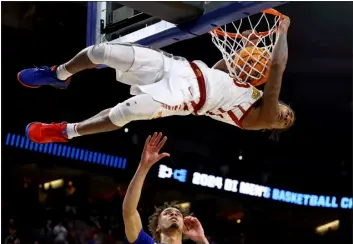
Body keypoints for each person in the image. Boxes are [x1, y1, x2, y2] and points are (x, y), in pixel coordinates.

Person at [18, 17, 294, 144]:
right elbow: (219, 72)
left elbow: (278, 70)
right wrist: (245, 47)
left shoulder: (263, 117)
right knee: (102, 51)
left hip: (185, 99)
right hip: (182, 69)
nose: (284, 118)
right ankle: (59, 74)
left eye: (286, 123)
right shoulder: (248, 92)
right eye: (289, 114)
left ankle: (66, 131)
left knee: (127, 111)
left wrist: (281, 33)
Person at [122, 132, 225, 244]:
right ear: (157, 226)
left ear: (183, 227)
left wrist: (202, 241)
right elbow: (129, 211)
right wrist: (144, 167)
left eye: (178, 214)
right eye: (167, 213)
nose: (174, 214)